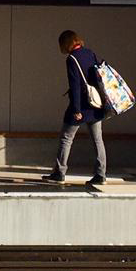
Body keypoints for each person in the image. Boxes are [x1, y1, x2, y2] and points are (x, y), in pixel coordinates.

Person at [43, 30, 108, 186]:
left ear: (65, 43)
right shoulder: (90, 53)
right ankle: (101, 174)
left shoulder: (72, 59)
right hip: (96, 104)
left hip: (81, 105)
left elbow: (76, 85)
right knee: (98, 140)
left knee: (66, 138)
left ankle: (59, 172)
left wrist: (77, 110)